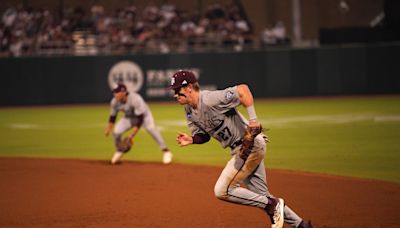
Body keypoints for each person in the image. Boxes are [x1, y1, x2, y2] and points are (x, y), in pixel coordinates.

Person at [169, 70, 312, 228]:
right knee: (261, 196)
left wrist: (253, 119)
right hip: (241, 149)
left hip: (249, 145)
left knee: (222, 190)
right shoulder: (189, 111)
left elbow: (243, 90)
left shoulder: (210, 99)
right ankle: (302, 225)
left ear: (189, 87)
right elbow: (204, 136)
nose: (175, 94)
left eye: (177, 90)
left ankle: (272, 204)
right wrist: (192, 139)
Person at [105, 83, 173, 165]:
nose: (115, 94)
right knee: (116, 132)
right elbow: (113, 116)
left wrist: (131, 135)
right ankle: (120, 150)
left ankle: (166, 151)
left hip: (144, 116)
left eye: (117, 92)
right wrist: (109, 128)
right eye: (114, 92)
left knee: (151, 129)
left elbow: (140, 120)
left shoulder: (135, 99)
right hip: (129, 117)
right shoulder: (114, 102)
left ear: (123, 92)